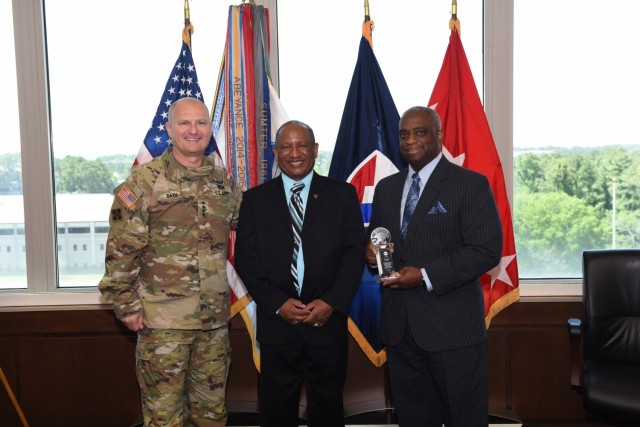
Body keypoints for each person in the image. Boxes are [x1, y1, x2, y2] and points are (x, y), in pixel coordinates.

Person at [98, 97, 242, 426]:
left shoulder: (224, 184)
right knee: (164, 418)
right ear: (169, 129)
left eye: (201, 123)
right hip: (162, 324)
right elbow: (121, 248)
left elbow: (249, 231)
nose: (194, 130)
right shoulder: (142, 182)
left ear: (209, 129)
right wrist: (127, 306)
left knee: (212, 415)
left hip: (214, 324)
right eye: (184, 123)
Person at [365, 106, 503, 427]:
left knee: (464, 420)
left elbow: (485, 250)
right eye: (404, 134)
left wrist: (425, 276)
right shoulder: (387, 188)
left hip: (452, 332)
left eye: (420, 132)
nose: (410, 140)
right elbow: (382, 240)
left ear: (439, 135)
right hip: (400, 332)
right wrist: (372, 255)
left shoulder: (469, 184)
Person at [234, 120, 364, 427]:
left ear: (315, 150)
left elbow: (353, 255)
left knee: (328, 408)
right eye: (287, 146)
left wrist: (331, 302)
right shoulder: (254, 199)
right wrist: (278, 304)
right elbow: (246, 259)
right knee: (276, 410)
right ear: (276, 152)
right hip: (277, 323)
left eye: (302, 145)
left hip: (327, 321)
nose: (295, 153)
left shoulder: (342, 195)